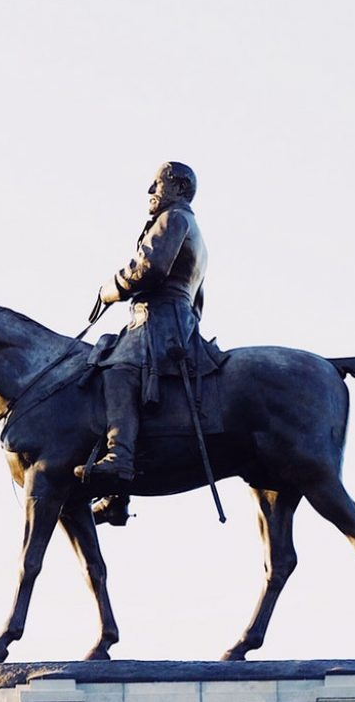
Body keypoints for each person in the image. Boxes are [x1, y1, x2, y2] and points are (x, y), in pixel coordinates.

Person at [78, 161, 207, 484]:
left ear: (179, 187)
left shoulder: (173, 218)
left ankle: (119, 457)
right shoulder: (189, 227)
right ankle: (115, 495)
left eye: (157, 183)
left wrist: (111, 288)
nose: (150, 190)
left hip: (160, 319)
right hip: (175, 317)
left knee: (118, 370)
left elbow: (150, 268)